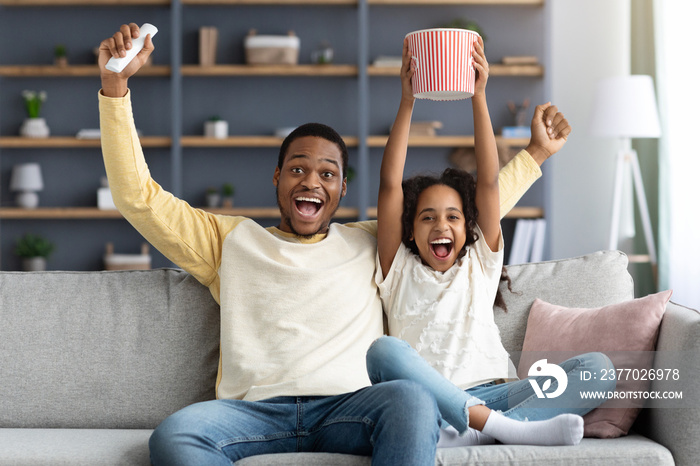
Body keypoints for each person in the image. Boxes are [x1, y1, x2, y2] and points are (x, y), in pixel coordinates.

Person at [98, 23, 568, 464]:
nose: (311, 182)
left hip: (350, 407)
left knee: (410, 399)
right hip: (256, 413)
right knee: (174, 435)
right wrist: (115, 89)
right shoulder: (228, 241)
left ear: (342, 189)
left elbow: (464, 213)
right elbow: (138, 199)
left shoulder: (370, 241)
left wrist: (535, 155)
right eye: (298, 169)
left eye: (328, 173)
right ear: (278, 178)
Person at [365, 37, 616, 448]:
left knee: (598, 369)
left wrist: (479, 96)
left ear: (470, 229)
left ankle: (484, 431)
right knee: (382, 352)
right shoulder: (398, 269)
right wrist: (407, 100)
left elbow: (486, 182)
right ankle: (501, 430)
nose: (440, 226)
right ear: (410, 229)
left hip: (498, 392)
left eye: (452, 217)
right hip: (430, 400)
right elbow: (390, 184)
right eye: (427, 217)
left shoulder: (478, 263)